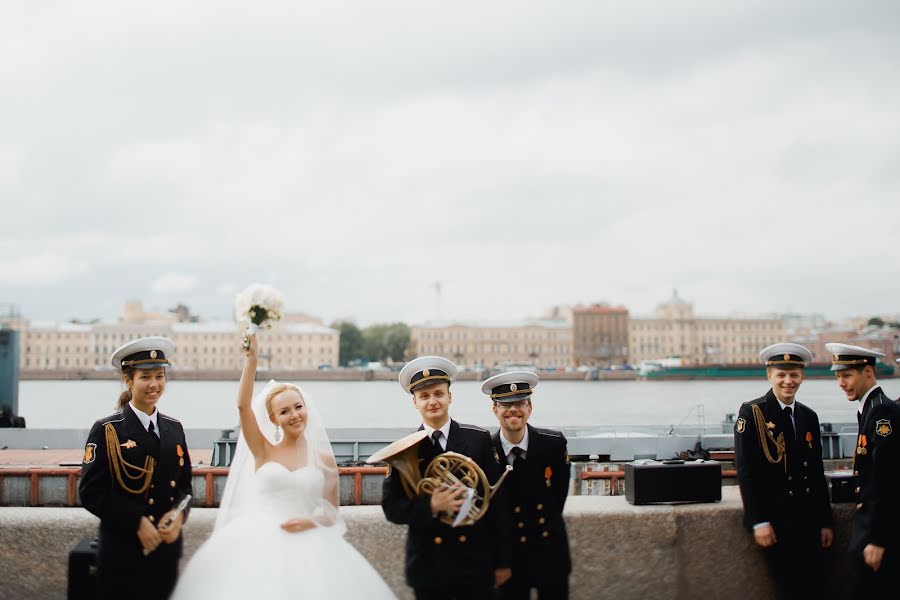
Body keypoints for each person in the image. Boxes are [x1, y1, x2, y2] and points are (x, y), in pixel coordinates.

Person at [171, 333, 395, 600]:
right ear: (274, 419)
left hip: (310, 544)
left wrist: (310, 521)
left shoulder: (323, 459)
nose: (294, 415)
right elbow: (243, 406)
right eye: (285, 411)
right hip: (256, 544)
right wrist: (251, 360)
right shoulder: (263, 450)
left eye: (298, 407)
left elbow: (331, 514)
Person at [381, 356, 512, 600]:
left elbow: (497, 503)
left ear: (449, 397)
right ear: (415, 402)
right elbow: (392, 508)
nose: (433, 401)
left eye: (439, 394)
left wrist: (503, 561)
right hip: (429, 566)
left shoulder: (478, 439)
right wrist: (430, 505)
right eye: (425, 396)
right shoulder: (404, 449)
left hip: (474, 562)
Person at [79, 337, 192, 600]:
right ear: (128, 381)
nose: (154, 385)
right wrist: (136, 521)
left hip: (165, 555)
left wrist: (178, 517)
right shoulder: (108, 430)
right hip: (122, 555)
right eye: (145, 377)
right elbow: (90, 492)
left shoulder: (174, 429)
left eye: (159, 376)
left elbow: (185, 487)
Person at [733, 343, 833, 599]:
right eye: (781, 375)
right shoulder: (753, 412)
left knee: (815, 588)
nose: (788, 381)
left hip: (808, 521)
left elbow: (816, 471)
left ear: (802, 376)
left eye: (794, 374)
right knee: (788, 589)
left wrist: (825, 521)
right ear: (769, 376)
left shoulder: (808, 416)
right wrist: (759, 521)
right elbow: (746, 471)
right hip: (776, 522)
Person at [482, 370, 571, 600]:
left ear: (529, 408)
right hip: (507, 557)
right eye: (505, 404)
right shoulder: (484, 451)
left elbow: (558, 495)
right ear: (495, 410)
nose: (513, 409)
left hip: (549, 550)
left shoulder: (553, 444)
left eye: (520, 403)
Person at [826, 342, 900, 596]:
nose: (841, 383)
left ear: (868, 372)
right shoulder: (868, 408)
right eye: (838, 376)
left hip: (878, 537)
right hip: (868, 532)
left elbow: (886, 479)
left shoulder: (882, 411)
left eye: (847, 375)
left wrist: (877, 539)